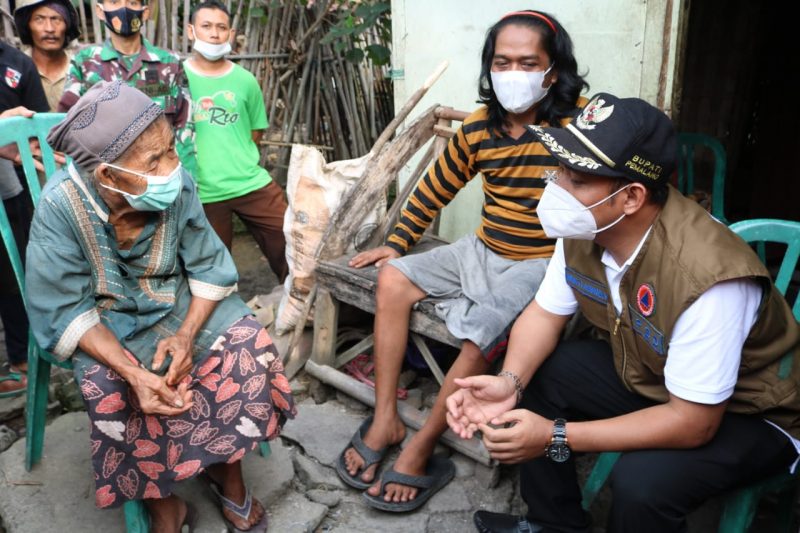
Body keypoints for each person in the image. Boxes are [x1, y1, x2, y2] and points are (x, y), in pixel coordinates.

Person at [445, 92, 800, 533]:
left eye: (576, 178)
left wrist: (555, 436)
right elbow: (543, 314)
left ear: (631, 196)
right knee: (543, 372)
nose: (555, 186)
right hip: (656, 375)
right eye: (560, 169)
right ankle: (554, 524)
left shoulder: (709, 279)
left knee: (641, 483)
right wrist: (507, 383)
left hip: (749, 414)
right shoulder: (587, 226)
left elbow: (693, 424)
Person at [337, 10, 589, 511]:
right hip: (481, 248)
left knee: (481, 330)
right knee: (392, 280)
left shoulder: (577, 126)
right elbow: (435, 187)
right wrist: (399, 240)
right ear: (488, 68)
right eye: (502, 62)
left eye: (527, 62)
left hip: (540, 263)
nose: (512, 74)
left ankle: (422, 444)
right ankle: (385, 417)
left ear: (553, 70)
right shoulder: (479, 129)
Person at [27, 81, 295, 533]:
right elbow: (63, 307)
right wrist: (135, 374)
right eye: (155, 160)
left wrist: (186, 335)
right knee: (111, 389)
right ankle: (163, 502)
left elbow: (209, 262)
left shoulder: (175, 184)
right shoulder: (60, 207)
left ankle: (227, 472)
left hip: (174, 298)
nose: (173, 166)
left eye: (170, 148)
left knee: (247, 344)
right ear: (107, 176)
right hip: (103, 318)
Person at [182, 0, 288, 281]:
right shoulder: (177, 78)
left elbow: (255, 132)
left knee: (292, 243)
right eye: (206, 27)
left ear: (231, 32)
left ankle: (307, 307)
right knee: (212, 271)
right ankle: (224, 323)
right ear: (191, 31)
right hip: (201, 191)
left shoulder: (245, 80)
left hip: (250, 182)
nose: (214, 34)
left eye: (221, 27)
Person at [56, 0, 196, 174]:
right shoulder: (85, 63)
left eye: (132, 2)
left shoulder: (169, 63)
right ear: (100, 11)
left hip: (160, 179)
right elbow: (68, 126)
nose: (124, 9)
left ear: (144, 12)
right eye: (114, 2)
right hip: (107, 182)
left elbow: (185, 127)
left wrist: (187, 181)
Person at [0, 40, 49, 396]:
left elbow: (37, 126)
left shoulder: (17, 63)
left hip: (9, 185)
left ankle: (22, 359)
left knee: (13, 276)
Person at [14, 0, 81, 111]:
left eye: (56, 19)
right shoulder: (15, 70)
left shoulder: (81, 68)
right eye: (39, 19)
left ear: (67, 25)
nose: (49, 29)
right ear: (28, 26)